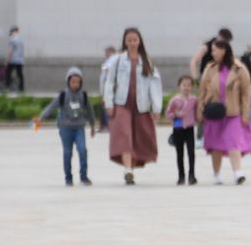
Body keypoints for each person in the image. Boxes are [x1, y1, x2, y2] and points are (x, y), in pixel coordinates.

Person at [100, 27, 161, 185]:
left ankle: (131, 170)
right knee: (124, 135)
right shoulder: (118, 60)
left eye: (135, 40)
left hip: (141, 106)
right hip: (121, 104)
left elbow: (155, 85)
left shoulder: (147, 60)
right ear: (125, 42)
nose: (133, 43)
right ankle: (127, 169)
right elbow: (109, 82)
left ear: (139, 41)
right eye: (129, 40)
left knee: (139, 138)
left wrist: (156, 108)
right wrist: (109, 102)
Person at [197, 39, 251, 184]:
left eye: (215, 50)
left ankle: (238, 173)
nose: (212, 53)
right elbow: (202, 91)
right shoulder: (210, 68)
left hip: (233, 112)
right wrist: (200, 110)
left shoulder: (239, 68)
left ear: (223, 50)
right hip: (214, 112)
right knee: (215, 145)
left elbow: (246, 93)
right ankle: (216, 175)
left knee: (233, 142)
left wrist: (246, 114)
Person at [33, 67, 96, 186]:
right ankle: (68, 178)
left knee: (82, 150)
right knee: (67, 153)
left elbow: (90, 112)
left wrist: (92, 126)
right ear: (68, 81)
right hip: (65, 129)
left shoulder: (84, 96)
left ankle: (84, 176)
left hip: (79, 128)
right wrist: (40, 118)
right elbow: (51, 107)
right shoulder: (62, 96)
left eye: (78, 82)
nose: (75, 85)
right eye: (73, 82)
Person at [164, 74, 200, 184]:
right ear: (179, 86)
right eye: (184, 85)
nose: (186, 88)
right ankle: (181, 176)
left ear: (192, 87)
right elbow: (168, 113)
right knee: (180, 154)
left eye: (189, 85)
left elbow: (197, 112)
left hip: (189, 128)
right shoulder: (175, 100)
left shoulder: (194, 100)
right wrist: (175, 114)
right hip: (178, 128)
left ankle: (192, 175)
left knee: (191, 153)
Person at [6, 26, 25, 92]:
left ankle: (7, 86)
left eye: (11, 32)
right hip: (20, 60)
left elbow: (10, 51)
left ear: (13, 31)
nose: (10, 34)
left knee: (8, 73)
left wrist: (7, 60)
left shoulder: (12, 40)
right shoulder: (21, 40)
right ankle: (21, 88)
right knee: (20, 74)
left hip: (13, 60)